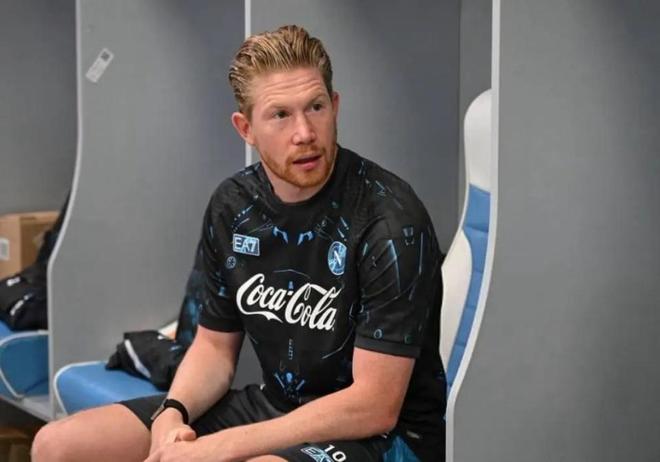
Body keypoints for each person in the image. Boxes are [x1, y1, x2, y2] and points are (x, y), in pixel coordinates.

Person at [32, 25, 446, 462]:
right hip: (277, 408)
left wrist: (220, 447)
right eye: (280, 115)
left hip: (384, 437)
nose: (305, 132)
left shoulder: (389, 218)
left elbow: (374, 406)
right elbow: (213, 347)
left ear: (335, 106)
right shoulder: (234, 206)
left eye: (316, 107)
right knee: (59, 446)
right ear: (245, 128)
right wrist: (173, 414)